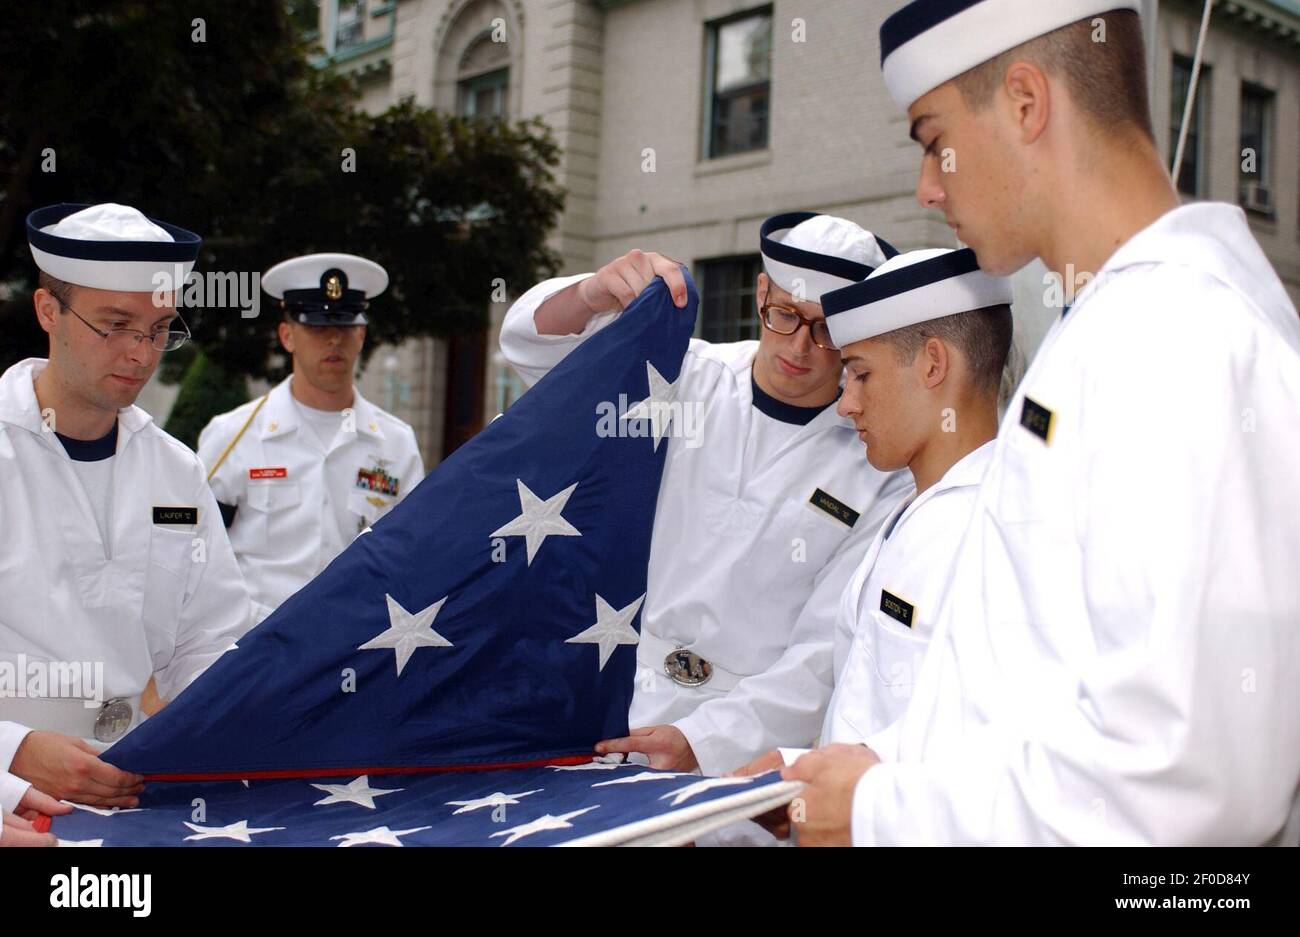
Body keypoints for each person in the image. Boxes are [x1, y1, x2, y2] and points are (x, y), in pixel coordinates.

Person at [785, 0, 1300, 846]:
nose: (927, 185)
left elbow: (1193, 783)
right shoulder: (1107, 329)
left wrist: (882, 811)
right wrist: (857, 771)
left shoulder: (1175, 336)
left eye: (930, 135)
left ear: (1025, 103)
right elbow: (1020, 696)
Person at [500, 213, 911, 776]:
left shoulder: (878, 461)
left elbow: (821, 652)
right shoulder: (681, 375)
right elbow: (531, 349)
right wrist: (592, 291)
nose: (801, 346)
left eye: (827, 330)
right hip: (605, 694)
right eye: (785, 315)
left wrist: (702, 740)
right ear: (761, 292)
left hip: (732, 748)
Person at [0, 202, 253, 812]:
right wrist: (13, 750)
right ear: (47, 311)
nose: (142, 352)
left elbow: (212, 641)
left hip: (139, 790)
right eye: (115, 325)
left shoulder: (176, 471)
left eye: (160, 327)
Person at [198, 253, 424, 621]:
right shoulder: (235, 434)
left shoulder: (395, 444)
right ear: (287, 336)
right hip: (257, 644)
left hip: (357, 641)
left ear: (362, 334)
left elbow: (411, 552)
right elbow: (196, 547)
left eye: (346, 326)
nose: (334, 340)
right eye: (318, 328)